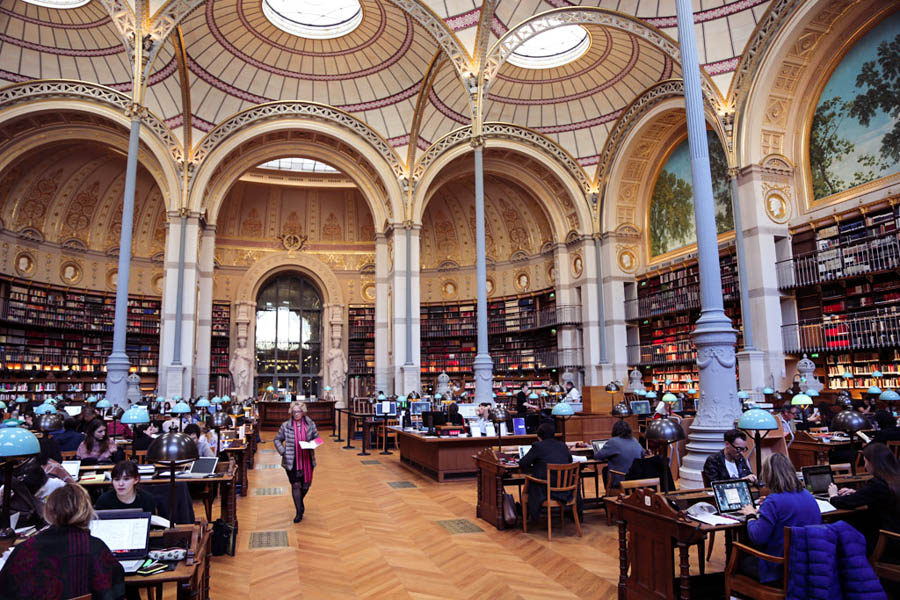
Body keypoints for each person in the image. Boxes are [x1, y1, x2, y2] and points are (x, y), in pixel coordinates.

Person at [0, 483, 125, 599]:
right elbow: (114, 591)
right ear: (87, 511)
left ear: (48, 511)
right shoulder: (95, 548)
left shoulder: (24, 550)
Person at [738, 453, 821, 585]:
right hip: (807, 565)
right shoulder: (808, 495)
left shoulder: (774, 501)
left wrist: (750, 515)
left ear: (769, 475)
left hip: (779, 568)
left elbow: (757, 537)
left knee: (740, 562)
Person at [828, 442, 900, 555]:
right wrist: (858, 493)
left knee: (841, 528)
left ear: (873, 463)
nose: (865, 466)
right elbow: (881, 497)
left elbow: (845, 502)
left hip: (887, 542)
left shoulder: (878, 484)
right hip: (894, 535)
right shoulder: (894, 479)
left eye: (865, 461)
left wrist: (833, 496)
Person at [518, 423, 577, 523]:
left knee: (531, 484)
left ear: (539, 436)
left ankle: (528, 513)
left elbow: (523, 463)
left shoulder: (537, 446)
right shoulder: (562, 445)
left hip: (545, 490)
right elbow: (570, 460)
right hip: (565, 490)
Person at [273, 401, 319, 523]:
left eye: (298, 411)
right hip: (291, 461)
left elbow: (317, 439)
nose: (296, 414)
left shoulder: (310, 424)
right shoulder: (285, 426)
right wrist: (283, 452)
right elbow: (277, 440)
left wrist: (311, 445)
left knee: (306, 485)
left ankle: (300, 502)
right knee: (296, 485)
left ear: (303, 412)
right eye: (294, 412)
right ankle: (299, 511)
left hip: (307, 460)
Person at [95, 460, 161, 516]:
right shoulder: (103, 501)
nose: (120, 484)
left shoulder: (147, 500)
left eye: (126, 479)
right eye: (116, 479)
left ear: (136, 479)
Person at [594, 420, 644, 488]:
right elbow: (643, 453)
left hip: (621, 479)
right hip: (636, 479)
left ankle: (610, 493)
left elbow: (598, 456)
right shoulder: (634, 440)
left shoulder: (613, 441)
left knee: (605, 470)